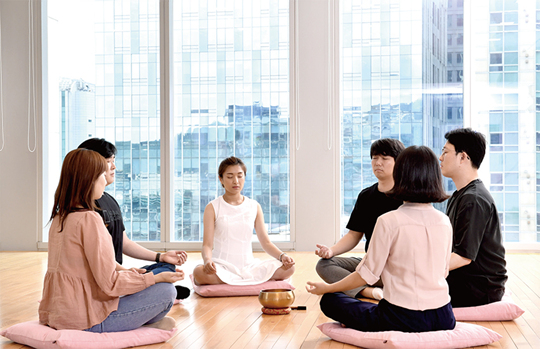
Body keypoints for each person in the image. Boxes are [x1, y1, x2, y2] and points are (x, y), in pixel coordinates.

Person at [306, 146, 455, 333]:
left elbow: (365, 275)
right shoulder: (444, 221)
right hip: (444, 317)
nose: (378, 162)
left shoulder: (388, 221)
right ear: (435, 178)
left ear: (400, 175)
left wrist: (326, 288)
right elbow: (443, 271)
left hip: (401, 318)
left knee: (331, 300)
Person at [39, 149, 184, 332]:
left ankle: (142, 319)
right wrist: (155, 279)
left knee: (149, 277)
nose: (105, 180)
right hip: (87, 321)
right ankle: (141, 324)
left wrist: (134, 274)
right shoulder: (89, 220)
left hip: (59, 314)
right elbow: (110, 284)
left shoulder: (60, 217)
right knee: (167, 292)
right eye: (102, 174)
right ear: (88, 179)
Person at [78, 138, 190, 299]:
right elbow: (96, 259)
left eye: (113, 161)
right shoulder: (84, 209)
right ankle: (155, 289)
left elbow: (124, 242)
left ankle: (154, 287)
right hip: (104, 280)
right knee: (159, 279)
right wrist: (132, 275)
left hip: (118, 275)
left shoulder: (109, 199)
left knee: (166, 266)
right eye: (108, 162)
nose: (114, 167)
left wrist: (161, 256)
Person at [315, 138, 404, 300]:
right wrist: (331, 251)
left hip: (398, 268)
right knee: (324, 264)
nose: (378, 163)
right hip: (371, 265)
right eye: (374, 158)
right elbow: (353, 235)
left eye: (385, 159)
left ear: (398, 162)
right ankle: (368, 292)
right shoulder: (366, 196)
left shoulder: (408, 196)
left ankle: (360, 287)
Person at [192, 156, 295, 285]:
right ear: (221, 179)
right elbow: (207, 244)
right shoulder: (212, 207)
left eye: (240, 176)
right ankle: (242, 281)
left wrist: (283, 256)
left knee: (290, 268)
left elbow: (266, 242)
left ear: (244, 177)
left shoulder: (254, 206)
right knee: (199, 272)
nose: (236, 181)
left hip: (249, 267)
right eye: (230, 177)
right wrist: (207, 261)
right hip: (221, 266)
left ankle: (234, 281)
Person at [439, 128, 507, 307]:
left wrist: (426, 270)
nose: (440, 157)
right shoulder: (460, 195)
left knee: (404, 282)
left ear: (463, 157)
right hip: (464, 279)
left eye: (445, 152)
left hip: (478, 287)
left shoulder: (473, 199)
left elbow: (463, 256)